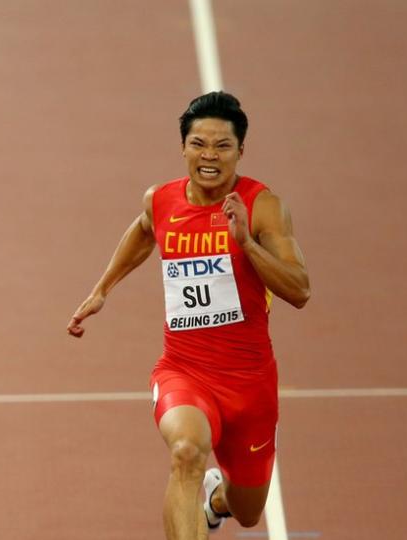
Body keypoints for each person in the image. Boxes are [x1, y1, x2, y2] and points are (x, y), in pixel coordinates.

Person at [67, 91, 309, 539]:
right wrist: (102, 290)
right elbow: (143, 232)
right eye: (199, 144)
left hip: (250, 384)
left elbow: (300, 290)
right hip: (185, 371)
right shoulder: (161, 200)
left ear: (241, 151)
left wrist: (247, 244)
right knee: (186, 452)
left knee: (249, 509)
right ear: (183, 147)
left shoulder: (263, 207)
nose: (209, 156)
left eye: (223, 146)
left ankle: (217, 500)